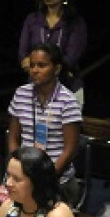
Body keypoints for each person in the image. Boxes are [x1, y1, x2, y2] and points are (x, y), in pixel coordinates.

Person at [8, 42, 82, 206]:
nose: (35, 70)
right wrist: (18, 170)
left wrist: (45, 179)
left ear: (56, 69)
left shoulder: (67, 101)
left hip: (57, 181)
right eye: (32, 65)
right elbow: (13, 137)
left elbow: (70, 150)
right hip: (24, 178)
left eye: (41, 65)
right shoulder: (21, 94)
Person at [18, 0, 87, 103]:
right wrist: (28, 61)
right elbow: (23, 53)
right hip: (35, 89)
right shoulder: (32, 19)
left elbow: (71, 58)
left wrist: (41, 65)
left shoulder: (75, 22)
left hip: (68, 88)